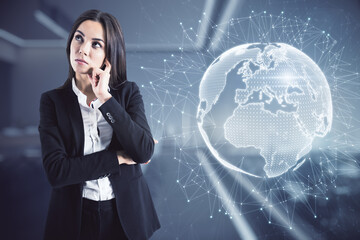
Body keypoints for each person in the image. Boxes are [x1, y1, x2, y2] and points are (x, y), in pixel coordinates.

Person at [38, 9, 160, 240]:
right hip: (76, 216)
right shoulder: (52, 101)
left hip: (125, 215)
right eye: (79, 38)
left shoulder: (127, 93)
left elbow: (143, 151)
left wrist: (105, 98)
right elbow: (57, 172)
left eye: (96, 44)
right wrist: (119, 158)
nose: (82, 49)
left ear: (109, 56)